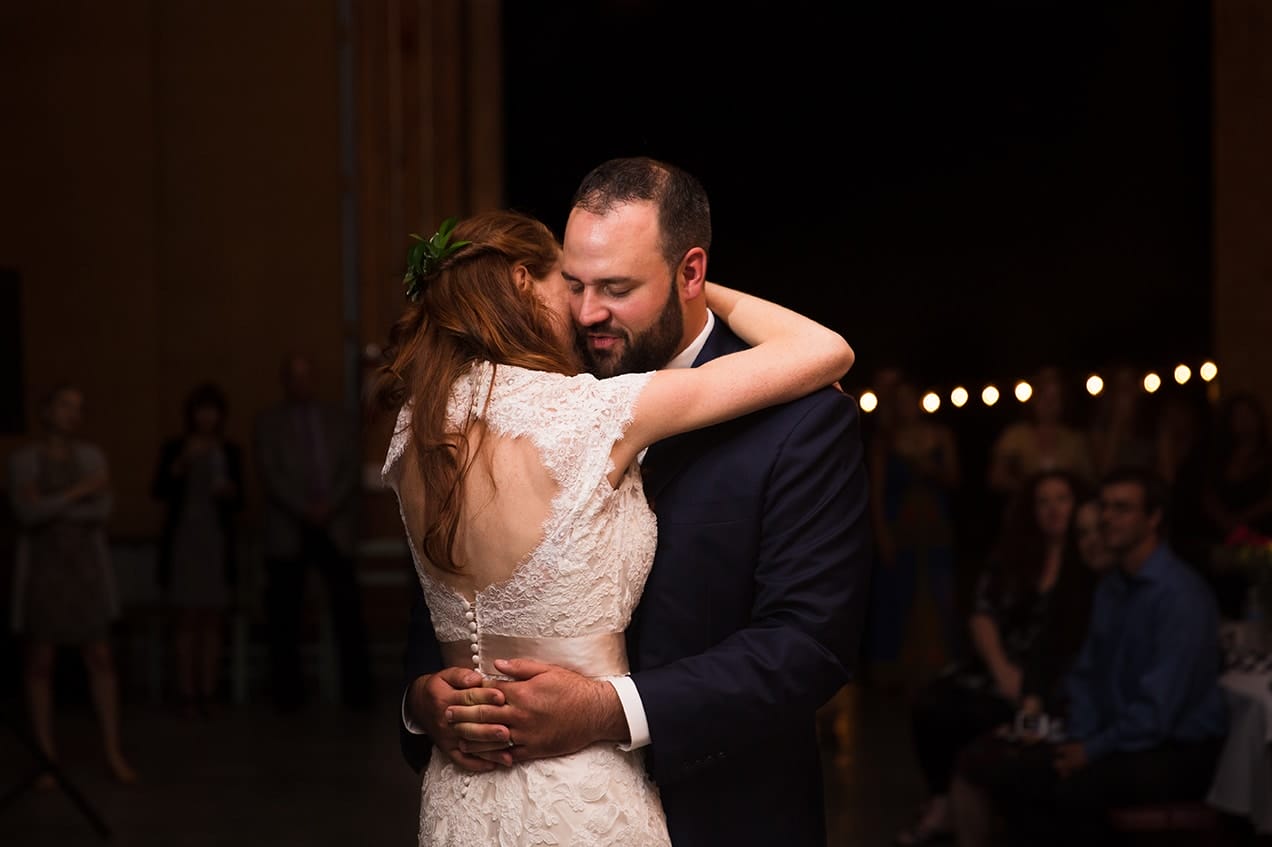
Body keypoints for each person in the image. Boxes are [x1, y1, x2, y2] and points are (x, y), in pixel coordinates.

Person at [397, 157, 872, 846]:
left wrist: (608, 710)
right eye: (576, 283)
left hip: (726, 815)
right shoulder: (527, 399)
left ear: (689, 273)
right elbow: (448, 588)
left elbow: (806, 645)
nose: (588, 314)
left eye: (617, 287)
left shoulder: (799, 419)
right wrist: (422, 700)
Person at [950, 466, 1229, 847]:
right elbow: (1086, 676)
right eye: (1105, 507)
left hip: (1176, 751)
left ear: (1153, 519)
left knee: (1055, 789)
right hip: (1122, 737)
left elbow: (1158, 711)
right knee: (1010, 770)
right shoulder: (1113, 587)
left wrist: (1090, 750)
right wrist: (1078, 738)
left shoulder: (1180, 596)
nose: (1108, 518)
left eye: (1122, 508)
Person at [897, 470, 1088, 845]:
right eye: (1043, 501)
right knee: (932, 704)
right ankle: (942, 801)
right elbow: (982, 612)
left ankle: (969, 803)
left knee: (986, 721)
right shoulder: (1015, 555)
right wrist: (1002, 669)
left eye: (1062, 499)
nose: (1053, 510)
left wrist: (1031, 684)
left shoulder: (1087, 559)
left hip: (1051, 677)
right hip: (1001, 666)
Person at [949, 495, 1111, 847]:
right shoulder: (1074, 591)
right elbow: (1044, 656)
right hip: (1063, 718)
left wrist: (1063, 729)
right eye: (1081, 534)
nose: (1092, 541)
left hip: (1096, 733)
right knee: (973, 752)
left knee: (1011, 772)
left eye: (1101, 529)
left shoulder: (1125, 592)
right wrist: (1034, 709)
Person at [6, 383, 136, 786]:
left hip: (86, 569)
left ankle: (112, 749)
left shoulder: (92, 456)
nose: (72, 415)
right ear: (45, 410)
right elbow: (27, 514)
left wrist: (53, 504)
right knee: (41, 661)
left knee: (99, 656)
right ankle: (46, 755)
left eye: (78, 408)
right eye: (64, 406)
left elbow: (103, 510)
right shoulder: (22, 460)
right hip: (44, 569)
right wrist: (78, 493)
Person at [254, 353, 373, 711]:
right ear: (284, 381)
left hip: (334, 526)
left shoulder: (338, 420)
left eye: (306, 376)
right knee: (285, 615)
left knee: (348, 610)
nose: (300, 383)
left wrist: (328, 506)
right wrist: (304, 508)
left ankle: (357, 694)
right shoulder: (268, 423)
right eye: (294, 377)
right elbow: (269, 473)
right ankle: (288, 697)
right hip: (289, 528)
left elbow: (352, 467)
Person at [151, 381, 245, 717]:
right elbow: (159, 489)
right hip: (184, 538)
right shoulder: (175, 446)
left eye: (212, 410)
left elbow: (241, 500)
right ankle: (187, 692)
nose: (206, 417)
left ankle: (208, 691)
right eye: (201, 410)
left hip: (215, 539)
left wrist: (229, 490)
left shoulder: (229, 450)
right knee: (186, 617)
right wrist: (181, 462)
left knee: (212, 618)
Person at [865, 376, 960, 688]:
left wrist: (931, 470)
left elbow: (955, 479)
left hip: (933, 523)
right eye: (899, 401)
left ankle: (939, 666)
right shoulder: (885, 441)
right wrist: (882, 536)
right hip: (899, 524)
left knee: (937, 589)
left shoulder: (939, 434)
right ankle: (897, 674)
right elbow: (875, 494)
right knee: (898, 594)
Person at [987, 367, 1094, 499]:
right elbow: (997, 478)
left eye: (1054, 398)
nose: (1048, 405)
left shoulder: (1075, 440)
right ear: (1033, 399)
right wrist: (1029, 490)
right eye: (1043, 397)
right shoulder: (1015, 436)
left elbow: (1088, 481)